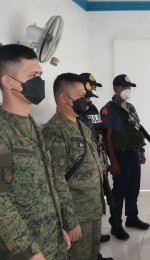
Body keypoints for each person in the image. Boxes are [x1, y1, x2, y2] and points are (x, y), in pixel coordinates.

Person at [0, 44, 69, 259]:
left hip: (52, 240)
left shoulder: (32, 124)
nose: (39, 81)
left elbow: (47, 183)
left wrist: (59, 228)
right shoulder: (4, 131)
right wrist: (28, 251)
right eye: (32, 75)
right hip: (25, 250)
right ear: (8, 81)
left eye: (40, 74)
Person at [42, 73, 109, 260]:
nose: (85, 100)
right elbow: (57, 179)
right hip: (77, 214)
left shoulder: (82, 126)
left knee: (93, 254)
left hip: (93, 208)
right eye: (80, 96)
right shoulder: (55, 130)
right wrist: (70, 222)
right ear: (65, 98)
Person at [100, 74, 150, 241]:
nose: (127, 90)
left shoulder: (131, 107)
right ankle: (116, 224)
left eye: (129, 87)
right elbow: (107, 137)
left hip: (133, 153)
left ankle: (132, 217)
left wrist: (141, 151)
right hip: (119, 154)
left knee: (133, 188)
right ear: (115, 88)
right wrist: (113, 162)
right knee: (119, 191)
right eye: (124, 87)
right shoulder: (109, 109)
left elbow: (137, 130)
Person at [79, 72, 111, 246]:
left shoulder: (93, 108)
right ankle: (87, 240)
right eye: (90, 85)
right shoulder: (77, 109)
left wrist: (103, 158)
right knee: (87, 202)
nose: (93, 88)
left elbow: (99, 133)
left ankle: (95, 236)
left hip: (98, 156)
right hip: (85, 162)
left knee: (98, 199)